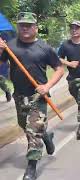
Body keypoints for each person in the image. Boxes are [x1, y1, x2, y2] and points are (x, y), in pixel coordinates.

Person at [0, 12, 64, 180]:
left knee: (33, 130)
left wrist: (47, 86)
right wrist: (0, 51)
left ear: (35, 27)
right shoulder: (10, 46)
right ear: (18, 27)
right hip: (19, 96)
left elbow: (59, 69)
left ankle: (31, 167)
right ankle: (47, 137)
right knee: (25, 126)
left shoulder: (45, 47)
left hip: (38, 96)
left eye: (29, 25)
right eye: (22, 25)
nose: (25, 28)